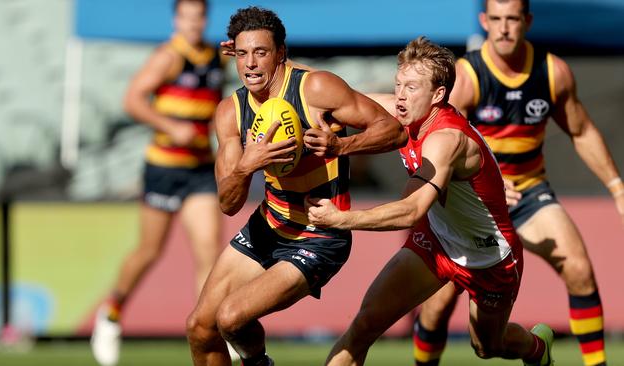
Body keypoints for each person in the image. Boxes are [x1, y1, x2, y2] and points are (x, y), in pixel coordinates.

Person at [307, 36, 554, 366]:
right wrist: (274, 67)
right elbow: (332, 93)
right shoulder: (401, 109)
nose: (400, 96)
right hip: (436, 244)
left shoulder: (446, 139)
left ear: (438, 95)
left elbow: (411, 210)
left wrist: (341, 219)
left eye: (411, 87)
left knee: (487, 347)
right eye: (398, 85)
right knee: (365, 325)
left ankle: (537, 349)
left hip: (489, 258)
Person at [184, 6, 407, 366]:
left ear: (281, 53)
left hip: (319, 235)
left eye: (261, 52)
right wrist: (247, 166)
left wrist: (341, 145)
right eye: (243, 54)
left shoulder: (314, 88)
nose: (251, 64)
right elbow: (227, 202)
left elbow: (393, 130)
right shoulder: (230, 111)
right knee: (200, 327)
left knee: (230, 317)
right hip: (269, 225)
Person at [408, 1, 624, 366]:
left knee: (579, 269)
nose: (505, 28)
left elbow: (582, 131)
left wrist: (617, 187)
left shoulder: (552, 72)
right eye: (496, 19)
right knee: (437, 306)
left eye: (512, 19)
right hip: (473, 201)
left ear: (527, 21)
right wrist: (487, 179)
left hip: (529, 193)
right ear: (484, 22)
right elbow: (438, 137)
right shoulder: (468, 76)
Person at [90, 1, 231, 365]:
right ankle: (112, 314)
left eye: (198, 15)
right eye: (186, 16)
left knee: (208, 252)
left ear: (205, 18)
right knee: (149, 251)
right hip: (165, 168)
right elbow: (132, 99)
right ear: (176, 19)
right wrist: (171, 127)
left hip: (200, 168)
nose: (193, 22)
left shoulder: (216, 56)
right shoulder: (168, 57)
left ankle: (210, 328)